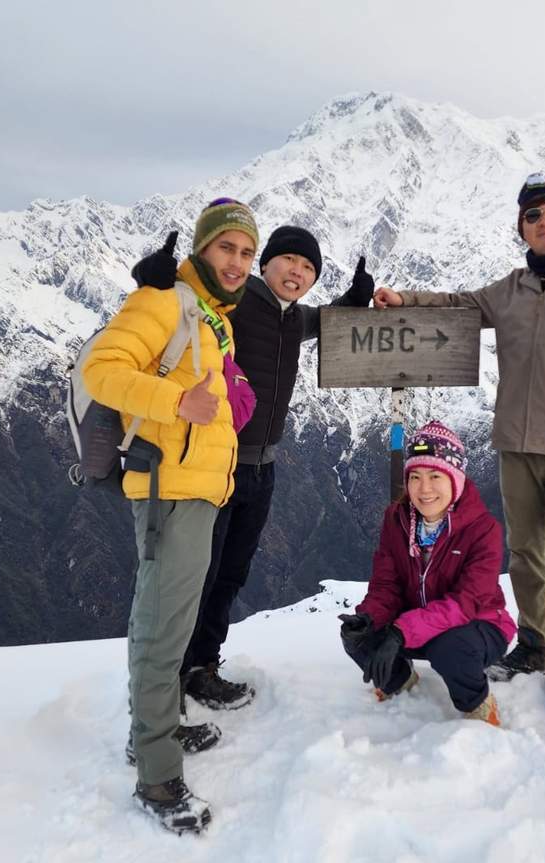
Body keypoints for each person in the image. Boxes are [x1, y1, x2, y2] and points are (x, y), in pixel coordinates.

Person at [373, 173, 545, 717]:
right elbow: (458, 305)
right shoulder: (512, 288)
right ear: (521, 227)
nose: (544, 221)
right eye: (533, 215)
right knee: (525, 554)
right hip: (516, 444)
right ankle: (532, 640)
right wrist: (404, 298)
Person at [133, 225, 375, 710]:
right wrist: (150, 280)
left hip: (263, 468)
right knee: (195, 573)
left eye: (308, 268)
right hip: (213, 464)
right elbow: (184, 298)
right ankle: (170, 680)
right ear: (265, 264)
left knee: (231, 573)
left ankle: (203, 665)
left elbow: (322, 322)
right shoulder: (234, 302)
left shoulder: (294, 317)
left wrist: (353, 298)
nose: (297, 272)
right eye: (289, 261)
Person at [82, 198, 258, 833]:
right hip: (169, 490)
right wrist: (178, 399)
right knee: (161, 631)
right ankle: (157, 776)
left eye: (245, 252)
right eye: (226, 248)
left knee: (169, 621)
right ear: (203, 250)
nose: (236, 262)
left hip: (196, 489)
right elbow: (100, 371)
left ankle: (152, 733)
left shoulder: (212, 316)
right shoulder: (162, 300)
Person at [338, 421, 517, 725]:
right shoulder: (396, 519)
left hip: (479, 625)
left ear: (455, 479)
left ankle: (477, 705)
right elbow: (386, 584)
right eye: (415, 477)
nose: (424, 489)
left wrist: (401, 631)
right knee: (358, 637)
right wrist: (370, 617)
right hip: (417, 623)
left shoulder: (483, 530)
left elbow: (467, 602)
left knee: (449, 648)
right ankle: (401, 682)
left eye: (435, 476)